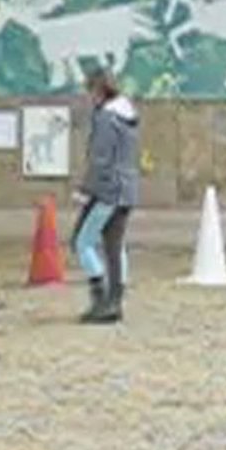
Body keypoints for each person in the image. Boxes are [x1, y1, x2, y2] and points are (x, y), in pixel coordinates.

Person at [71, 67, 140, 324]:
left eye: (90, 91)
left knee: (82, 241)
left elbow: (100, 159)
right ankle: (115, 299)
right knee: (115, 245)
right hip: (127, 189)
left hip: (107, 190)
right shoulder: (128, 117)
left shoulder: (106, 119)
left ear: (98, 91)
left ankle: (100, 297)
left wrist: (86, 190)